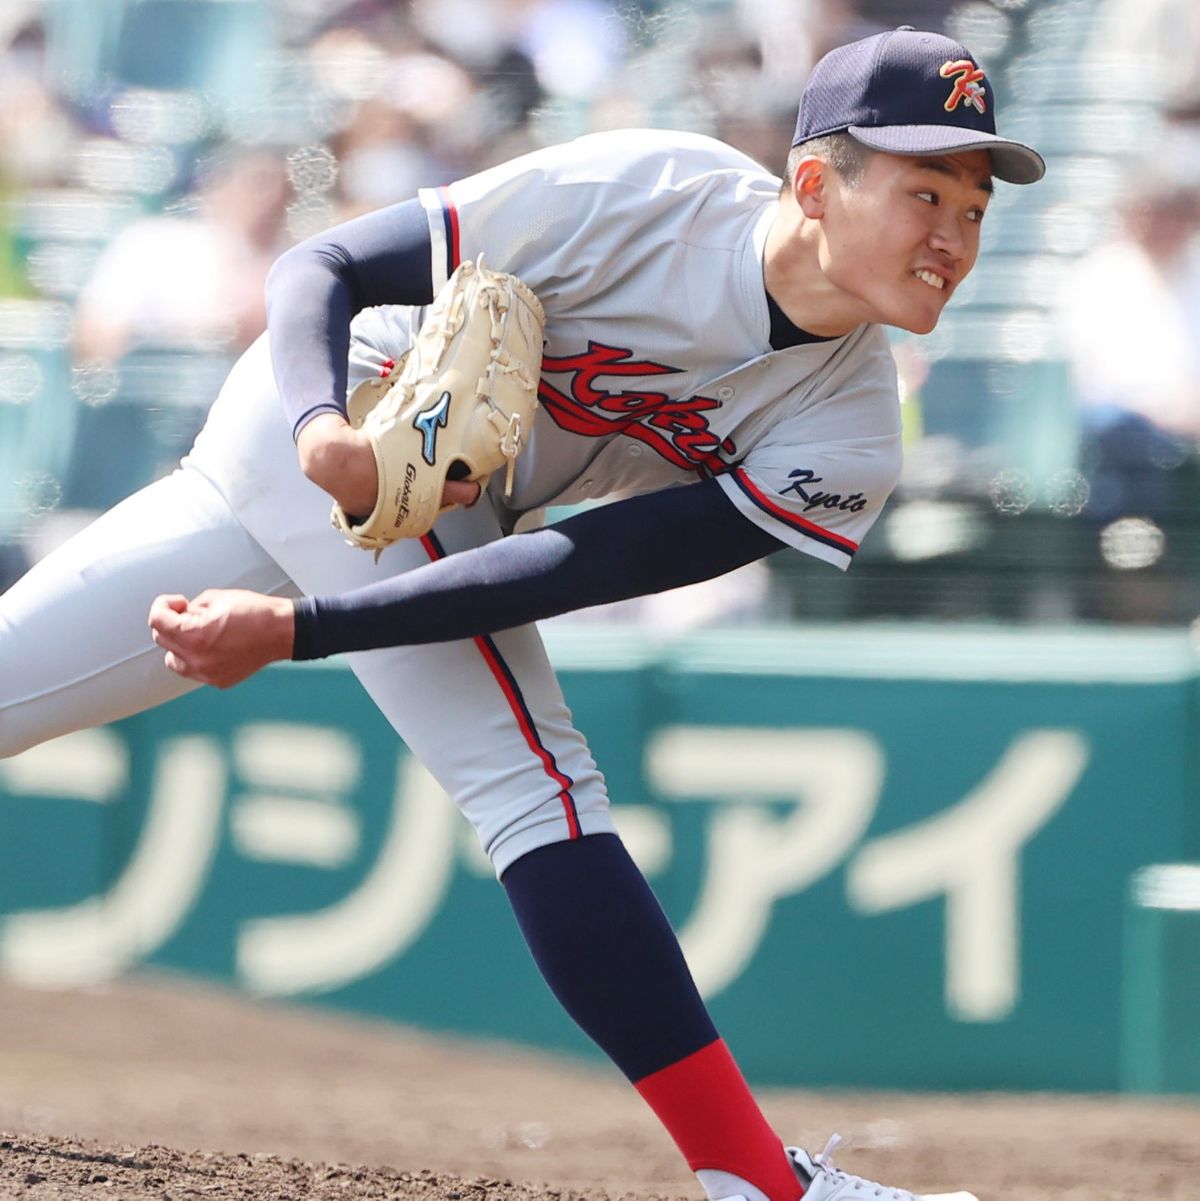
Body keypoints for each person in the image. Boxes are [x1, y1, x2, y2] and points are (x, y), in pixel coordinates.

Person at [0, 27, 1043, 1201]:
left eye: (972, 209)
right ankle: (762, 1187)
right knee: (536, 787)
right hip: (337, 406)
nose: (951, 239)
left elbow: (572, 565)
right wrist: (323, 437)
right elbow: (321, 269)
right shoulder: (652, 193)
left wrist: (301, 633)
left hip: (449, 516)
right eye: (923, 192)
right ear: (814, 181)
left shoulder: (849, 425)